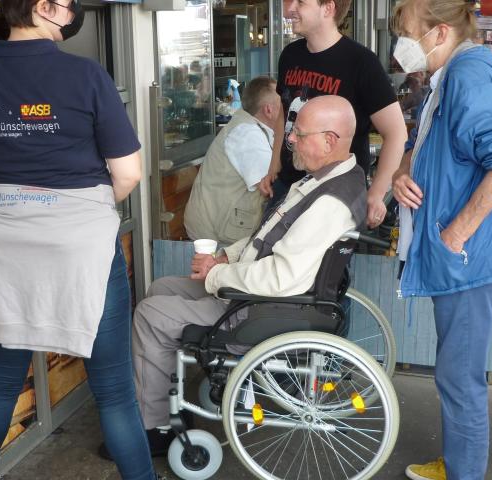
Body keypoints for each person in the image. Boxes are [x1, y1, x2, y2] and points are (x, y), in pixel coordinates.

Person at [0, 1, 154, 479]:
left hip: (9, 244)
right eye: (67, 4)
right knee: (114, 390)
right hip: (82, 247)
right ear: (43, 6)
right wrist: (81, 205)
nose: (74, 12)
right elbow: (129, 173)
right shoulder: (86, 75)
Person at [133, 96, 366, 455]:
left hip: (261, 307)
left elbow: (281, 278)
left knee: (149, 314)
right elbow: (269, 236)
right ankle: (168, 390)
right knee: (160, 287)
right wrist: (226, 256)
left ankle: (156, 427)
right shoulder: (330, 180)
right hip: (258, 293)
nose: (289, 139)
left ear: (329, 140)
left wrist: (217, 275)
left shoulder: (329, 202)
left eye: (299, 134)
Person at [390, 0, 492, 478]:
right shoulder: (450, 76)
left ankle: (464, 472)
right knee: (456, 369)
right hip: (460, 256)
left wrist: (455, 235)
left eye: (407, 32)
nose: (400, 44)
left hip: (466, 258)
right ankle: (459, 463)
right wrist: (402, 171)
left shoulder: (468, 76)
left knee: (459, 375)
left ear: (439, 33)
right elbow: (423, 143)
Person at [257, 0, 407, 229]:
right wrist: (273, 166)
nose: (289, 9)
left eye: (301, 2)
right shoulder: (290, 55)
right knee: (264, 248)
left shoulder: (361, 62)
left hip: (334, 197)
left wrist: (377, 192)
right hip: (287, 188)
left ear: (328, 8)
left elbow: (396, 133)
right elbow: (283, 116)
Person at [184, 76, 282, 244]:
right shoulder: (247, 134)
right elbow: (271, 186)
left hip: (222, 225)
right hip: (215, 236)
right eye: (283, 105)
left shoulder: (252, 127)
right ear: (269, 110)